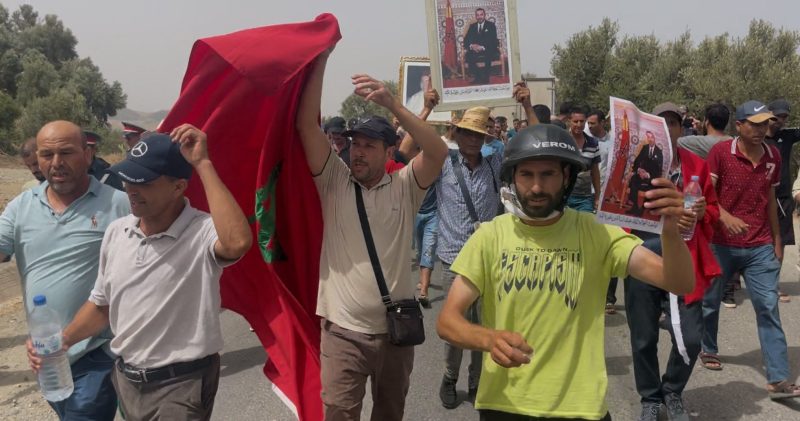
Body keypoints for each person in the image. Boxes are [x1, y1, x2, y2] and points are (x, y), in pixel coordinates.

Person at [436, 123, 695, 420]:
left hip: (579, 408)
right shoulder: (489, 236)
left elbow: (679, 282)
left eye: (548, 174)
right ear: (512, 178)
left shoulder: (597, 233)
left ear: (567, 177)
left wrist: (670, 231)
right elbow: (447, 321)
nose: (536, 187)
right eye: (526, 175)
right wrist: (488, 339)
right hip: (504, 404)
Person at [29, 127, 252, 420]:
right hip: (127, 381)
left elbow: (237, 243)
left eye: (143, 182)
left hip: (181, 384)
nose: (131, 189)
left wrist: (203, 164)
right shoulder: (117, 231)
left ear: (178, 187)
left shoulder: (201, 231)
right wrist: (63, 340)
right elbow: (102, 305)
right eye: (128, 178)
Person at [296, 47, 447, 420]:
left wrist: (393, 103)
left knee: (389, 412)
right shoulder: (334, 180)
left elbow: (437, 150)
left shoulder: (405, 186)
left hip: (395, 333)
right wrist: (319, 60)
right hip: (342, 334)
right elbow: (306, 126)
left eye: (368, 145)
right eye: (355, 144)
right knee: (338, 413)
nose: (358, 152)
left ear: (389, 150)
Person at [3, 121, 130, 420]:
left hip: (98, 352)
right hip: (47, 356)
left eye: (66, 153)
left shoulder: (119, 205)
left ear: (87, 154)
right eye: (47, 154)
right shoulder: (22, 206)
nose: (56, 162)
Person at [626, 103, 721, 421]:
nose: (667, 128)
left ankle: (673, 390)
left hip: (685, 258)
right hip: (642, 255)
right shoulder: (635, 163)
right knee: (643, 336)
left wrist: (703, 210)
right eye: (661, 122)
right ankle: (650, 398)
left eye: (674, 123)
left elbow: (713, 212)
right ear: (650, 128)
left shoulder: (697, 165)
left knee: (692, 337)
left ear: (682, 129)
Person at [700, 100, 800, 399]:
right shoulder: (721, 153)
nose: (761, 129)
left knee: (768, 307)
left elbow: (770, 200)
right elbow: (706, 195)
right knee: (710, 301)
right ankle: (708, 347)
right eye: (754, 124)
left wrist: (777, 241)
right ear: (739, 125)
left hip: (759, 245)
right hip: (720, 243)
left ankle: (778, 379)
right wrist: (725, 217)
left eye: (765, 123)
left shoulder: (773, 156)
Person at [435, 106, 502, 409]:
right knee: (456, 327)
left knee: (483, 326)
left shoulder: (495, 164)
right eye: (468, 133)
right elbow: (406, 151)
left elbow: (531, 143)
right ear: (457, 134)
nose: (474, 139)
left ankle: (477, 381)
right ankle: (450, 377)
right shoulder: (442, 163)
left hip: (488, 260)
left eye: (479, 134)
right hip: (454, 260)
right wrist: (426, 107)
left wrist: (527, 106)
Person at [765, 99, 800, 303]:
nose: (781, 120)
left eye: (785, 117)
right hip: (760, 196)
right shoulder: (756, 136)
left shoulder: (787, 136)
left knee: (781, 241)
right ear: (768, 114)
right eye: (778, 116)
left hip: (783, 197)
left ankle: (773, 284)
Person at [565, 106, 601, 213]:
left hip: (584, 198)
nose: (579, 124)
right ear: (569, 121)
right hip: (564, 195)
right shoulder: (562, 140)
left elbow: (595, 172)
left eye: (582, 121)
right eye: (575, 121)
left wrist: (597, 196)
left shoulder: (592, 143)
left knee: (586, 221)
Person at [627, 131, 664, 216]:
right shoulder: (645, 148)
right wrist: (639, 170)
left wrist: (647, 175)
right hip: (641, 175)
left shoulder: (659, 152)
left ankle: (642, 209)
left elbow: (659, 170)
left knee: (652, 184)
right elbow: (637, 161)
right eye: (648, 137)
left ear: (655, 138)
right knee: (634, 179)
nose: (650, 139)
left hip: (650, 177)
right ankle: (635, 206)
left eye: (652, 137)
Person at [463, 8, 499, 85]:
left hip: (487, 48)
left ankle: (485, 78)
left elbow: (493, 40)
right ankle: (478, 77)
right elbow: (466, 40)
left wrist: (482, 47)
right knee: (468, 55)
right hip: (475, 49)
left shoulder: (491, 25)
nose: (479, 17)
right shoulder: (472, 26)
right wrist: (472, 46)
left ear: (484, 15)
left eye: (481, 15)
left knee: (488, 54)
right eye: (477, 15)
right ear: (476, 16)